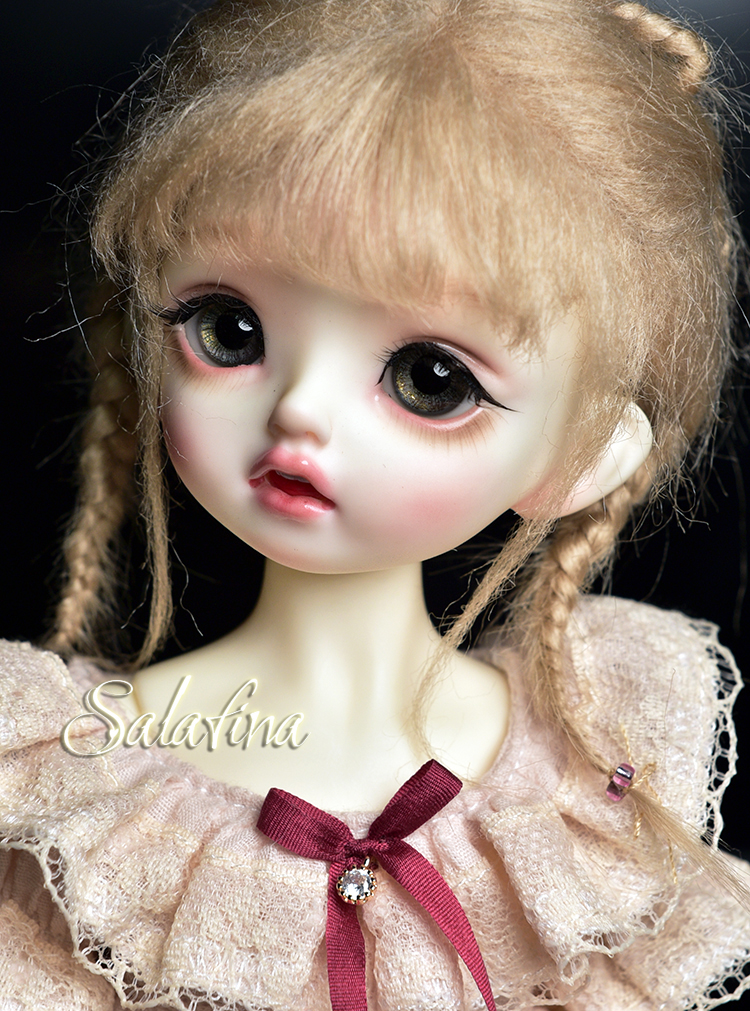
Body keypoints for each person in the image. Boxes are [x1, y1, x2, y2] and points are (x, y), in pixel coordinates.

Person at [1, 0, 749, 1007]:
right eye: (228, 328)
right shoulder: (74, 796)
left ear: (584, 455)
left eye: (432, 380)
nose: (298, 411)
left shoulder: (594, 781)